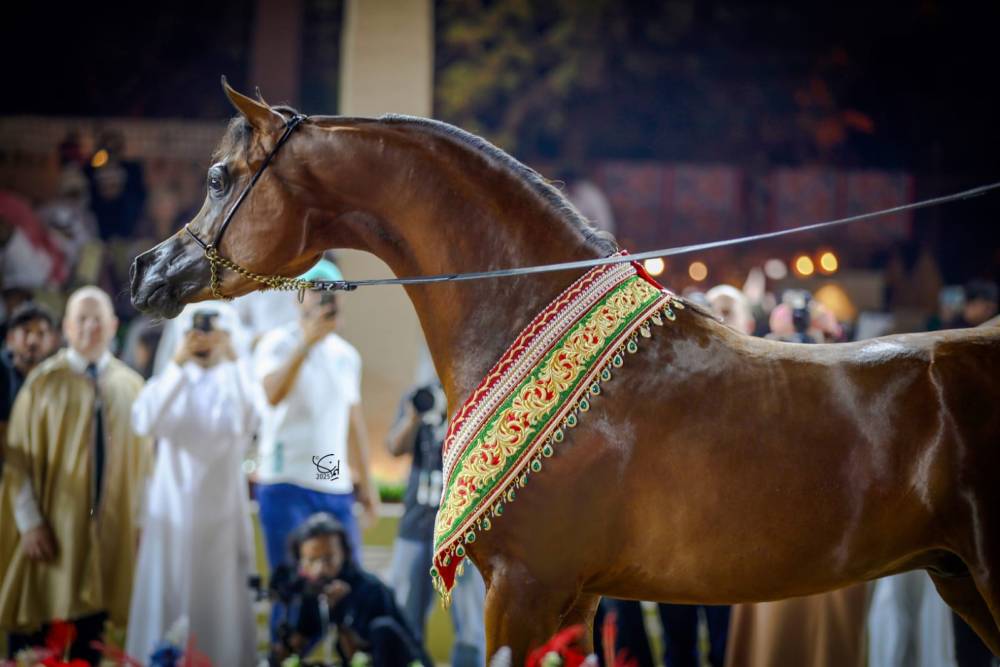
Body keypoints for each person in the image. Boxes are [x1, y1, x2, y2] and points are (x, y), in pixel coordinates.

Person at [0, 286, 152, 665]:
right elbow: (18, 461)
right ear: (66, 327)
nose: (90, 328)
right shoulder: (42, 384)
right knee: (41, 640)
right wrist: (30, 523)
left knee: (96, 642)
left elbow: (147, 468)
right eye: (81, 319)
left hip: (111, 537)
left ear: (114, 326)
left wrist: (141, 526)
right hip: (53, 532)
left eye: (98, 319)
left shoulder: (132, 387)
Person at [125, 302, 259, 666]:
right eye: (196, 331)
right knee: (166, 590)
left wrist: (233, 358)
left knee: (220, 599)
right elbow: (143, 421)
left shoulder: (233, 378)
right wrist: (177, 362)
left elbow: (249, 421)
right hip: (171, 511)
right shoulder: (173, 377)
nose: (203, 340)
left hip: (221, 515)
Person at [253, 260, 378, 628]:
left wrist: (367, 485)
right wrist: (305, 345)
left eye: (332, 292)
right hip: (285, 482)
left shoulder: (346, 356)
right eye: (317, 290)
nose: (326, 298)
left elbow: (352, 423)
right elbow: (272, 394)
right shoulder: (277, 343)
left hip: (334, 485)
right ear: (297, 298)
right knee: (293, 588)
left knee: (348, 585)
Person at [386, 374, 487, 666]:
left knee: (471, 625)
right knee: (405, 618)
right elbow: (394, 447)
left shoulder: (477, 390)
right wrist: (414, 417)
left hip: (463, 530)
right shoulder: (418, 394)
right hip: (415, 527)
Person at [270, 512, 430, 667]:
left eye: (328, 558)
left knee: (383, 629)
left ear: (344, 554)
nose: (320, 568)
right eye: (311, 560)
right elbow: (296, 645)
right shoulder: (312, 590)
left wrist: (340, 611)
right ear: (301, 562)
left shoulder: (370, 589)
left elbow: (358, 655)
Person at [0, 303, 58, 472]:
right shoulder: (2, 370)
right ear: (10, 338)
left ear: (52, 340)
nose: (32, 341)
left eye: (41, 333)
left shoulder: (58, 377)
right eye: (26, 332)